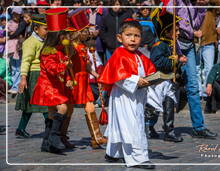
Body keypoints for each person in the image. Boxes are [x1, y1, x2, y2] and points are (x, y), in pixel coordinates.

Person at [98, 19, 156, 169]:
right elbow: (118, 76)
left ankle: (113, 153)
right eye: (128, 35)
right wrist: (136, 80)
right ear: (120, 38)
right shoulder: (119, 54)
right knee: (132, 126)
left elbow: (150, 71)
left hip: (136, 97)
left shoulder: (140, 56)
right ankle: (138, 158)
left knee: (120, 124)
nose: (132, 39)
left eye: (136, 36)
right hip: (124, 96)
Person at [166, 0, 217, 138]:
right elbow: (169, 23)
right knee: (167, 84)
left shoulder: (193, 4)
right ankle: (155, 125)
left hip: (188, 46)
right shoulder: (174, 3)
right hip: (175, 44)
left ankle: (198, 127)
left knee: (193, 86)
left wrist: (201, 7)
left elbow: (196, 24)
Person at [60, 9, 107, 149]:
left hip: (84, 81)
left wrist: (96, 74)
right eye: (85, 30)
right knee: (69, 110)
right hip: (73, 81)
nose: (88, 33)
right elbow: (67, 65)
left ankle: (96, 137)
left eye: (88, 30)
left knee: (90, 107)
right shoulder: (70, 46)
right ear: (78, 31)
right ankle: (61, 137)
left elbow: (85, 66)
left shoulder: (83, 46)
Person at [30, 8, 73, 154]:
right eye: (63, 35)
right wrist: (64, 65)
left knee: (50, 114)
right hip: (47, 86)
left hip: (56, 85)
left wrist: (67, 78)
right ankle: (55, 137)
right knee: (63, 108)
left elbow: (63, 70)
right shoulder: (48, 50)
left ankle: (47, 143)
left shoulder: (61, 50)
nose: (65, 37)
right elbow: (52, 69)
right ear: (57, 36)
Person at [144, 8, 186, 142]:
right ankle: (148, 127)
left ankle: (169, 131)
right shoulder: (159, 45)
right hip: (159, 82)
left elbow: (173, 65)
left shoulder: (171, 44)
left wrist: (179, 62)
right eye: (176, 30)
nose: (178, 33)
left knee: (169, 106)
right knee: (153, 108)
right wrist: (175, 60)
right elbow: (158, 63)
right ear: (167, 32)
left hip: (170, 82)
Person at [15, 14, 49, 138]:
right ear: (36, 29)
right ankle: (50, 129)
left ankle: (20, 128)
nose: (47, 31)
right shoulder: (30, 42)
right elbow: (26, 61)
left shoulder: (43, 41)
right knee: (44, 104)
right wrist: (23, 78)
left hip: (42, 74)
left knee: (31, 104)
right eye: (45, 29)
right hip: (34, 75)